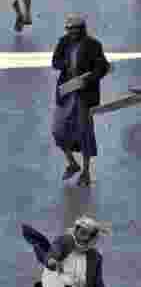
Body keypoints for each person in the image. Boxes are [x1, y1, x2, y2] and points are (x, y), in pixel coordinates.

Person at [51, 13, 110, 187]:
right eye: (70, 29)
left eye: (77, 29)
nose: (73, 32)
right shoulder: (64, 42)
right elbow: (55, 62)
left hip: (84, 96)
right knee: (58, 130)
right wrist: (65, 64)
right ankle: (71, 162)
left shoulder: (93, 45)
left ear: (82, 29)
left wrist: (88, 79)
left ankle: (86, 171)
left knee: (84, 133)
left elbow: (102, 67)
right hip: (67, 93)